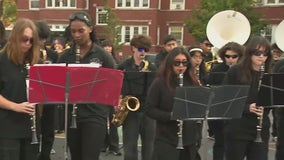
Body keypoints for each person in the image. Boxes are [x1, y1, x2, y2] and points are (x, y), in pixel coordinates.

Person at [58, 11, 115, 160]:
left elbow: (113, 84)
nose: (76, 35)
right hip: (72, 115)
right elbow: (57, 85)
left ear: (90, 29)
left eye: (81, 31)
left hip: (95, 115)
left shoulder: (103, 56)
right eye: (73, 31)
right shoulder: (65, 56)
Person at [146, 46, 201, 160]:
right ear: (170, 63)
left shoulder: (193, 82)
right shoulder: (160, 83)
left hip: (189, 137)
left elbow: (198, 108)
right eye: (177, 63)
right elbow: (150, 109)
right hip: (166, 138)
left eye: (184, 63)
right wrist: (170, 116)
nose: (181, 66)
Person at [223, 36, 272, 160]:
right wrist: (247, 108)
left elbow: (273, 101)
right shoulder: (235, 71)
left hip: (260, 128)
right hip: (238, 127)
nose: (262, 56)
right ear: (249, 53)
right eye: (257, 53)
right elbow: (225, 100)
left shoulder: (269, 74)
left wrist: (266, 106)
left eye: (265, 53)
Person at [0, 18, 40, 160]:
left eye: (31, 40)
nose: (28, 44)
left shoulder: (35, 62)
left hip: (30, 129)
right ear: (15, 37)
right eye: (24, 39)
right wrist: (15, 106)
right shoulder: (2, 60)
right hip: (7, 129)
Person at [117, 34, 156, 160]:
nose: (143, 52)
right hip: (130, 112)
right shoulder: (123, 66)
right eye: (140, 49)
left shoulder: (152, 67)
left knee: (149, 148)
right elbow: (115, 86)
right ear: (133, 48)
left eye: (145, 49)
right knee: (130, 149)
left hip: (148, 111)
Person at [207, 42, 244, 160]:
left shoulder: (244, 70)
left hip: (239, 114)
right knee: (220, 144)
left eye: (234, 56)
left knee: (236, 147)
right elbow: (211, 92)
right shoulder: (217, 69)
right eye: (228, 56)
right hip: (220, 113)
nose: (231, 59)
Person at [34, 20, 58, 160]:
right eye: (40, 38)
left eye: (44, 38)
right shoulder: (27, 53)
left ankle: (46, 155)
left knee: (49, 132)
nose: (42, 41)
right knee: (35, 131)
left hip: (49, 98)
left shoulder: (52, 55)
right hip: (33, 99)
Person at [100, 39, 121, 156]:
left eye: (109, 46)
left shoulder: (116, 62)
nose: (108, 48)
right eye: (105, 46)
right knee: (102, 121)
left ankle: (114, 145)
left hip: (112, 93)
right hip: (101, 93)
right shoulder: (99, 62)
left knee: (113, 121)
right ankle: (103, 144)